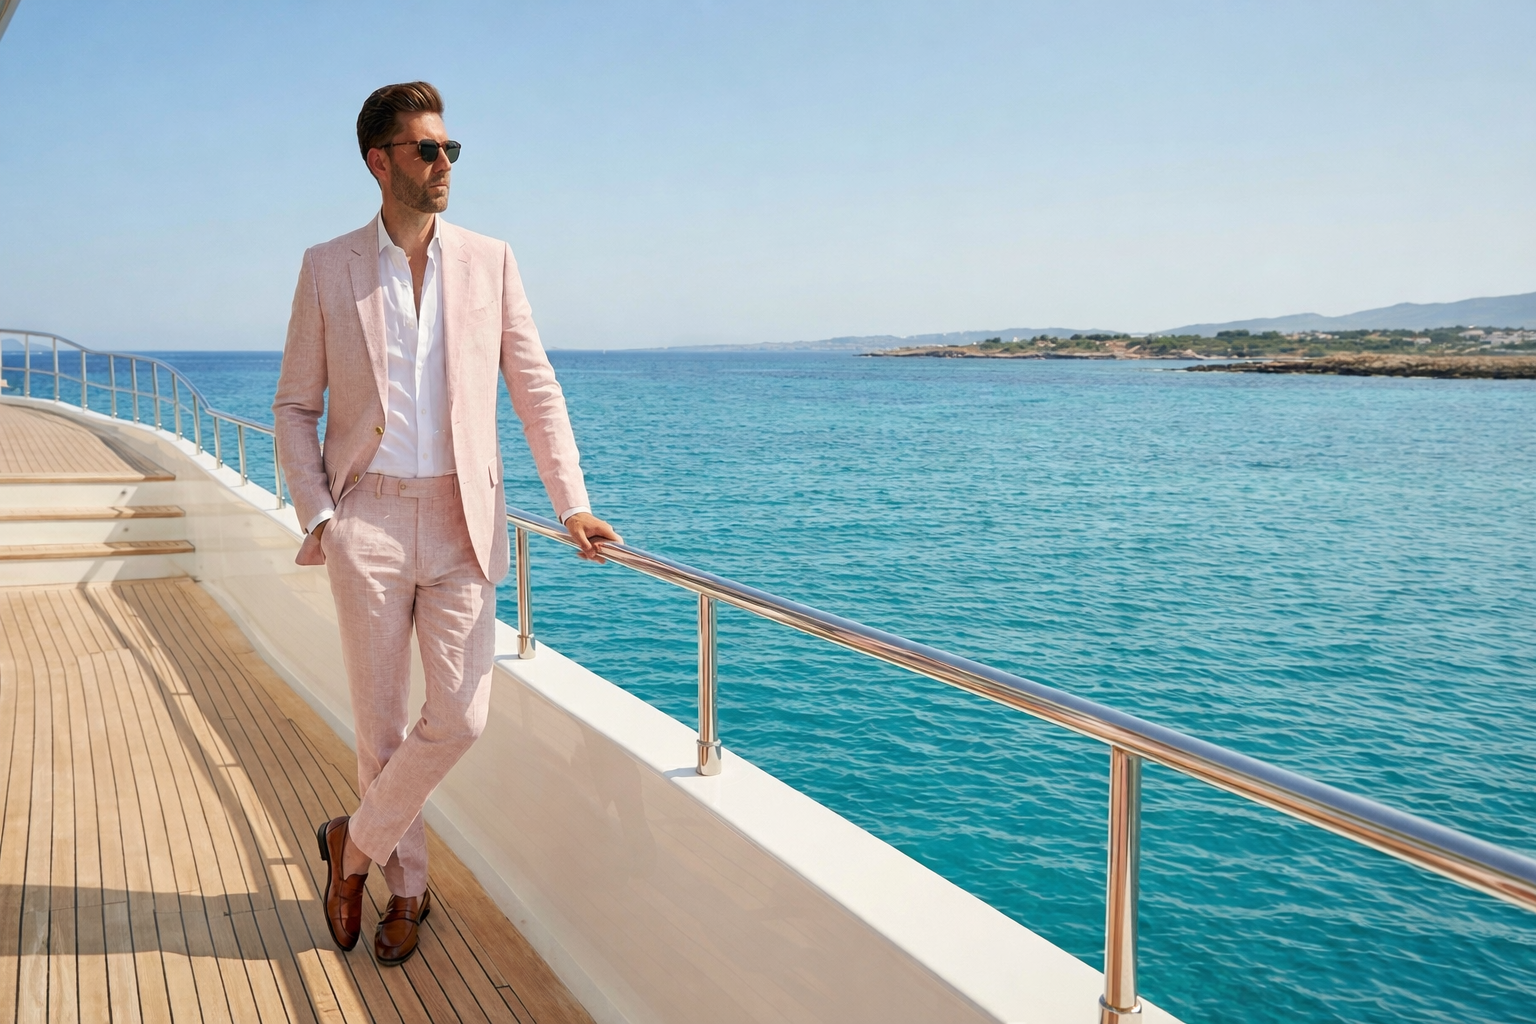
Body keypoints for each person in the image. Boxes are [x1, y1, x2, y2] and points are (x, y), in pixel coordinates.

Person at [273, 80, 621, 967]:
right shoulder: (327, 266)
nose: (444, 165)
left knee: (460, 718)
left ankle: (353, 846)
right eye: (427, 150)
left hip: (467, 520)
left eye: (450, 150)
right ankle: (406, 891)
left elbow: (534, 388)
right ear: (379, 161)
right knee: (382, 729)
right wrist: (323, 516)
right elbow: (292, 409)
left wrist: (570, 500)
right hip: (371, 520)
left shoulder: (491, 260)